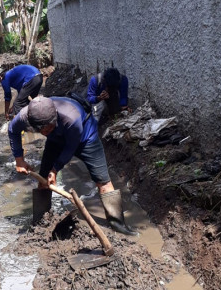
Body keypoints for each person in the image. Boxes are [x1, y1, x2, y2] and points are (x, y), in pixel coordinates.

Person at [8, 96, 137, 235]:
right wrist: (19, 159)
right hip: (55, 140)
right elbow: (12, 130)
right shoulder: (25, 116)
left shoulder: (70, 117)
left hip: (85, 138)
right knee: (43, 178)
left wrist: (56, 169)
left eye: (48, 128)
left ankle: (118, 225)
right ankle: (41, 220)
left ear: (55, 118)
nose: (45, 132)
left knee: (103, 181)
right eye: (41, 130)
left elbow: (70, 147)